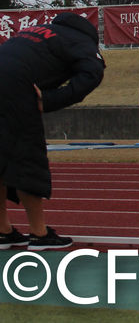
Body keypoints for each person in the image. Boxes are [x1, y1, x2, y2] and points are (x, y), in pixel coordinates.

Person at [0, 13, 105, 251]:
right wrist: (50, 99)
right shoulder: (81, 41)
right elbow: (92, 74)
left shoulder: (35, 30)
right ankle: (39, 233)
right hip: (17, 88)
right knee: (28, 159)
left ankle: (3, 231)